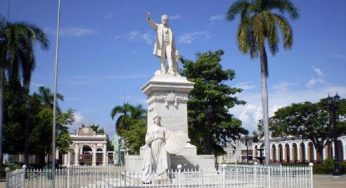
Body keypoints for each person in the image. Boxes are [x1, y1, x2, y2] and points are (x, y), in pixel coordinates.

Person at [142, 114, 170, 183]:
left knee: (163, 157)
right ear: (154, 120)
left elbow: (167, 135)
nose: (158, 119)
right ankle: (155, 172)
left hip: (163, 144)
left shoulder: (163, 128)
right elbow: (148, 137)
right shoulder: (151, 128)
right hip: (154, 143)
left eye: (159, 118)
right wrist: (148, 142)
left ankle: (163, 172)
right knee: (155, 159)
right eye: (156, 118)